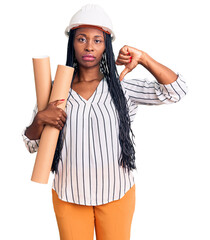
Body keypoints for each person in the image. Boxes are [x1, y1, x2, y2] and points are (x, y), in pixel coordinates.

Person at [21, 4, 188, 240]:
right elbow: (31, 144)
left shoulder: (123, 87)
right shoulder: (55, 90)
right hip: (69, 196)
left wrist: (143, 58)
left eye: (97, 40)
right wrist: (39, 120)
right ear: (72, 43)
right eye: (81, 39)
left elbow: (177, 91)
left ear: (106, 46)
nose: (89, 46)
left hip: (116, 194)